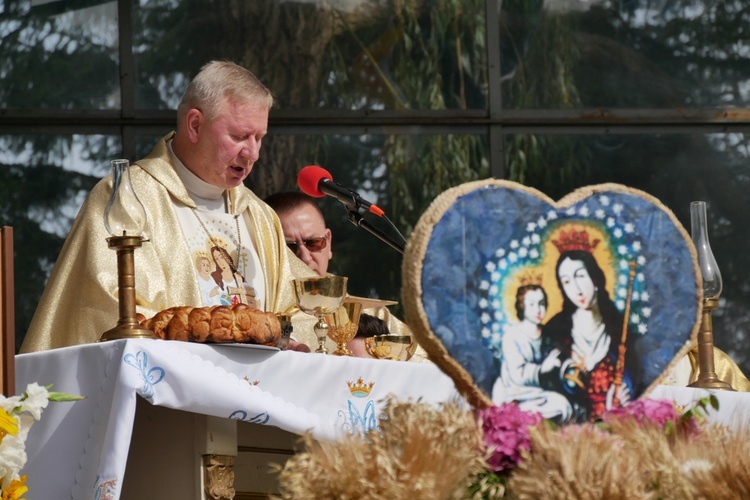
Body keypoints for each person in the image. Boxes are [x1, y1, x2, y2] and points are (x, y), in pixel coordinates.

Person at [21, 61, 315, 353]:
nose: (252, 153)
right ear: (195, 125)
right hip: (168, 394)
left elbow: (303, 308)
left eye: (259, 138)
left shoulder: (259, 216)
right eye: (239, 136)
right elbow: (108, 309)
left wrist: (292, 339)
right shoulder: (125, 197)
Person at [264, 191, 429, 361]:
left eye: (313, 243)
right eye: (291, 248)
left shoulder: (370, 314)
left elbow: (427, 362)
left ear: (328, 241)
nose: (305, 257)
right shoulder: (266, 319)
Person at [541, 231, 639, 421]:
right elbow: (546, 385)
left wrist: (623, 392)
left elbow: (632, 372)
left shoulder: (620, 328)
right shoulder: (554, 330)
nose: (576, 289)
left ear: (594, 279)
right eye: (567, 281)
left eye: (580, 276)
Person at [492, 283, 572, 421]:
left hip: (540, 391)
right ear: (522, 306)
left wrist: (567, 366)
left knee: (564, 407)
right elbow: (517, 375)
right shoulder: (512, 337)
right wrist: (541, 370)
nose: (538, 310)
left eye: (541, 303)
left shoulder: (548, 334)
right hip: (515, 392)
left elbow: (559, 358)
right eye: (532, 304)